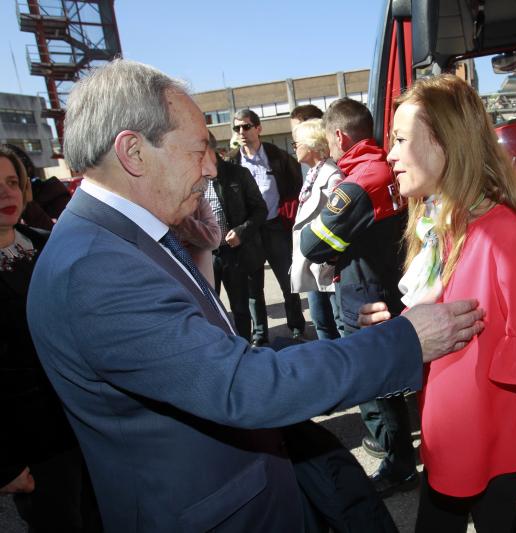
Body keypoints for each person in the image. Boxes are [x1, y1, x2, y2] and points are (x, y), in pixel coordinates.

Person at [26, 58, 484, 533]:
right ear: (133, 152)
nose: (210, 168)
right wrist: (407, 340)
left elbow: (212, 354)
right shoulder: (95, 268)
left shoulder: (119, 240)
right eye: (200, 149)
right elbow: (245, 386)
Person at [359, 74, 516, 532]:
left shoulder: (508, 239)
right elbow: (448, 334)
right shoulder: (439, 229)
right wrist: (398, 331)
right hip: (448, 453)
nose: (391, 155)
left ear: (444, 143)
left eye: (401, 140)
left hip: (503, 467)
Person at [301, 98, 418, 497]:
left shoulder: (358, 183)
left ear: (339, 136)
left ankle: (399, 461)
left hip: (364, 298)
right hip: (395, 287)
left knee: (378, 381)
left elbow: (311, 243)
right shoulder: (392, 168)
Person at [0, 145, 99, 532]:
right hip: (29, 445)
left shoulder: (48, 242)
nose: (6, 193)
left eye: (12, 182)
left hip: (86, 422)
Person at [229, 109, 306, 343]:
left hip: (276, 228)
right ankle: (260, 334)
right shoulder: (232, 160)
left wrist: (289, 214)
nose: (241, 132)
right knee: (254, 288)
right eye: (237, 128)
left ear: (258, 129)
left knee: (288, 281)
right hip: (249, 232)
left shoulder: (277, 156)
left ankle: (296, 327)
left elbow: (297, 184)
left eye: (246, 126)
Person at [207, 132, 268, 340]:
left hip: (234, 253)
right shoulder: (189, 178)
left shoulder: (238, 174)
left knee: (240, 308)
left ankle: (244, 348)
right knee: (207, 307)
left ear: (209, 148)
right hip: (205, 254)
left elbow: (260, 210)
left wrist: (242, 231)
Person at [289, 118, 344, 340]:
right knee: (321, 324)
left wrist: (328, 261)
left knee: (337, 323)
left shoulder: (332, 175)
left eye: (296, 143)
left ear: (311, 144)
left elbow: (339, 224)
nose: (294, 148)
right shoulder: (312, 174)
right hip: (313, 262)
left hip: (325, 265)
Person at [172, 195, 220, 284]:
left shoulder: (198, 202)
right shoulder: (153, 206)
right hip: (171, 280)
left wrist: (179, 219)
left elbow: (214, 239)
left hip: (200, 283)